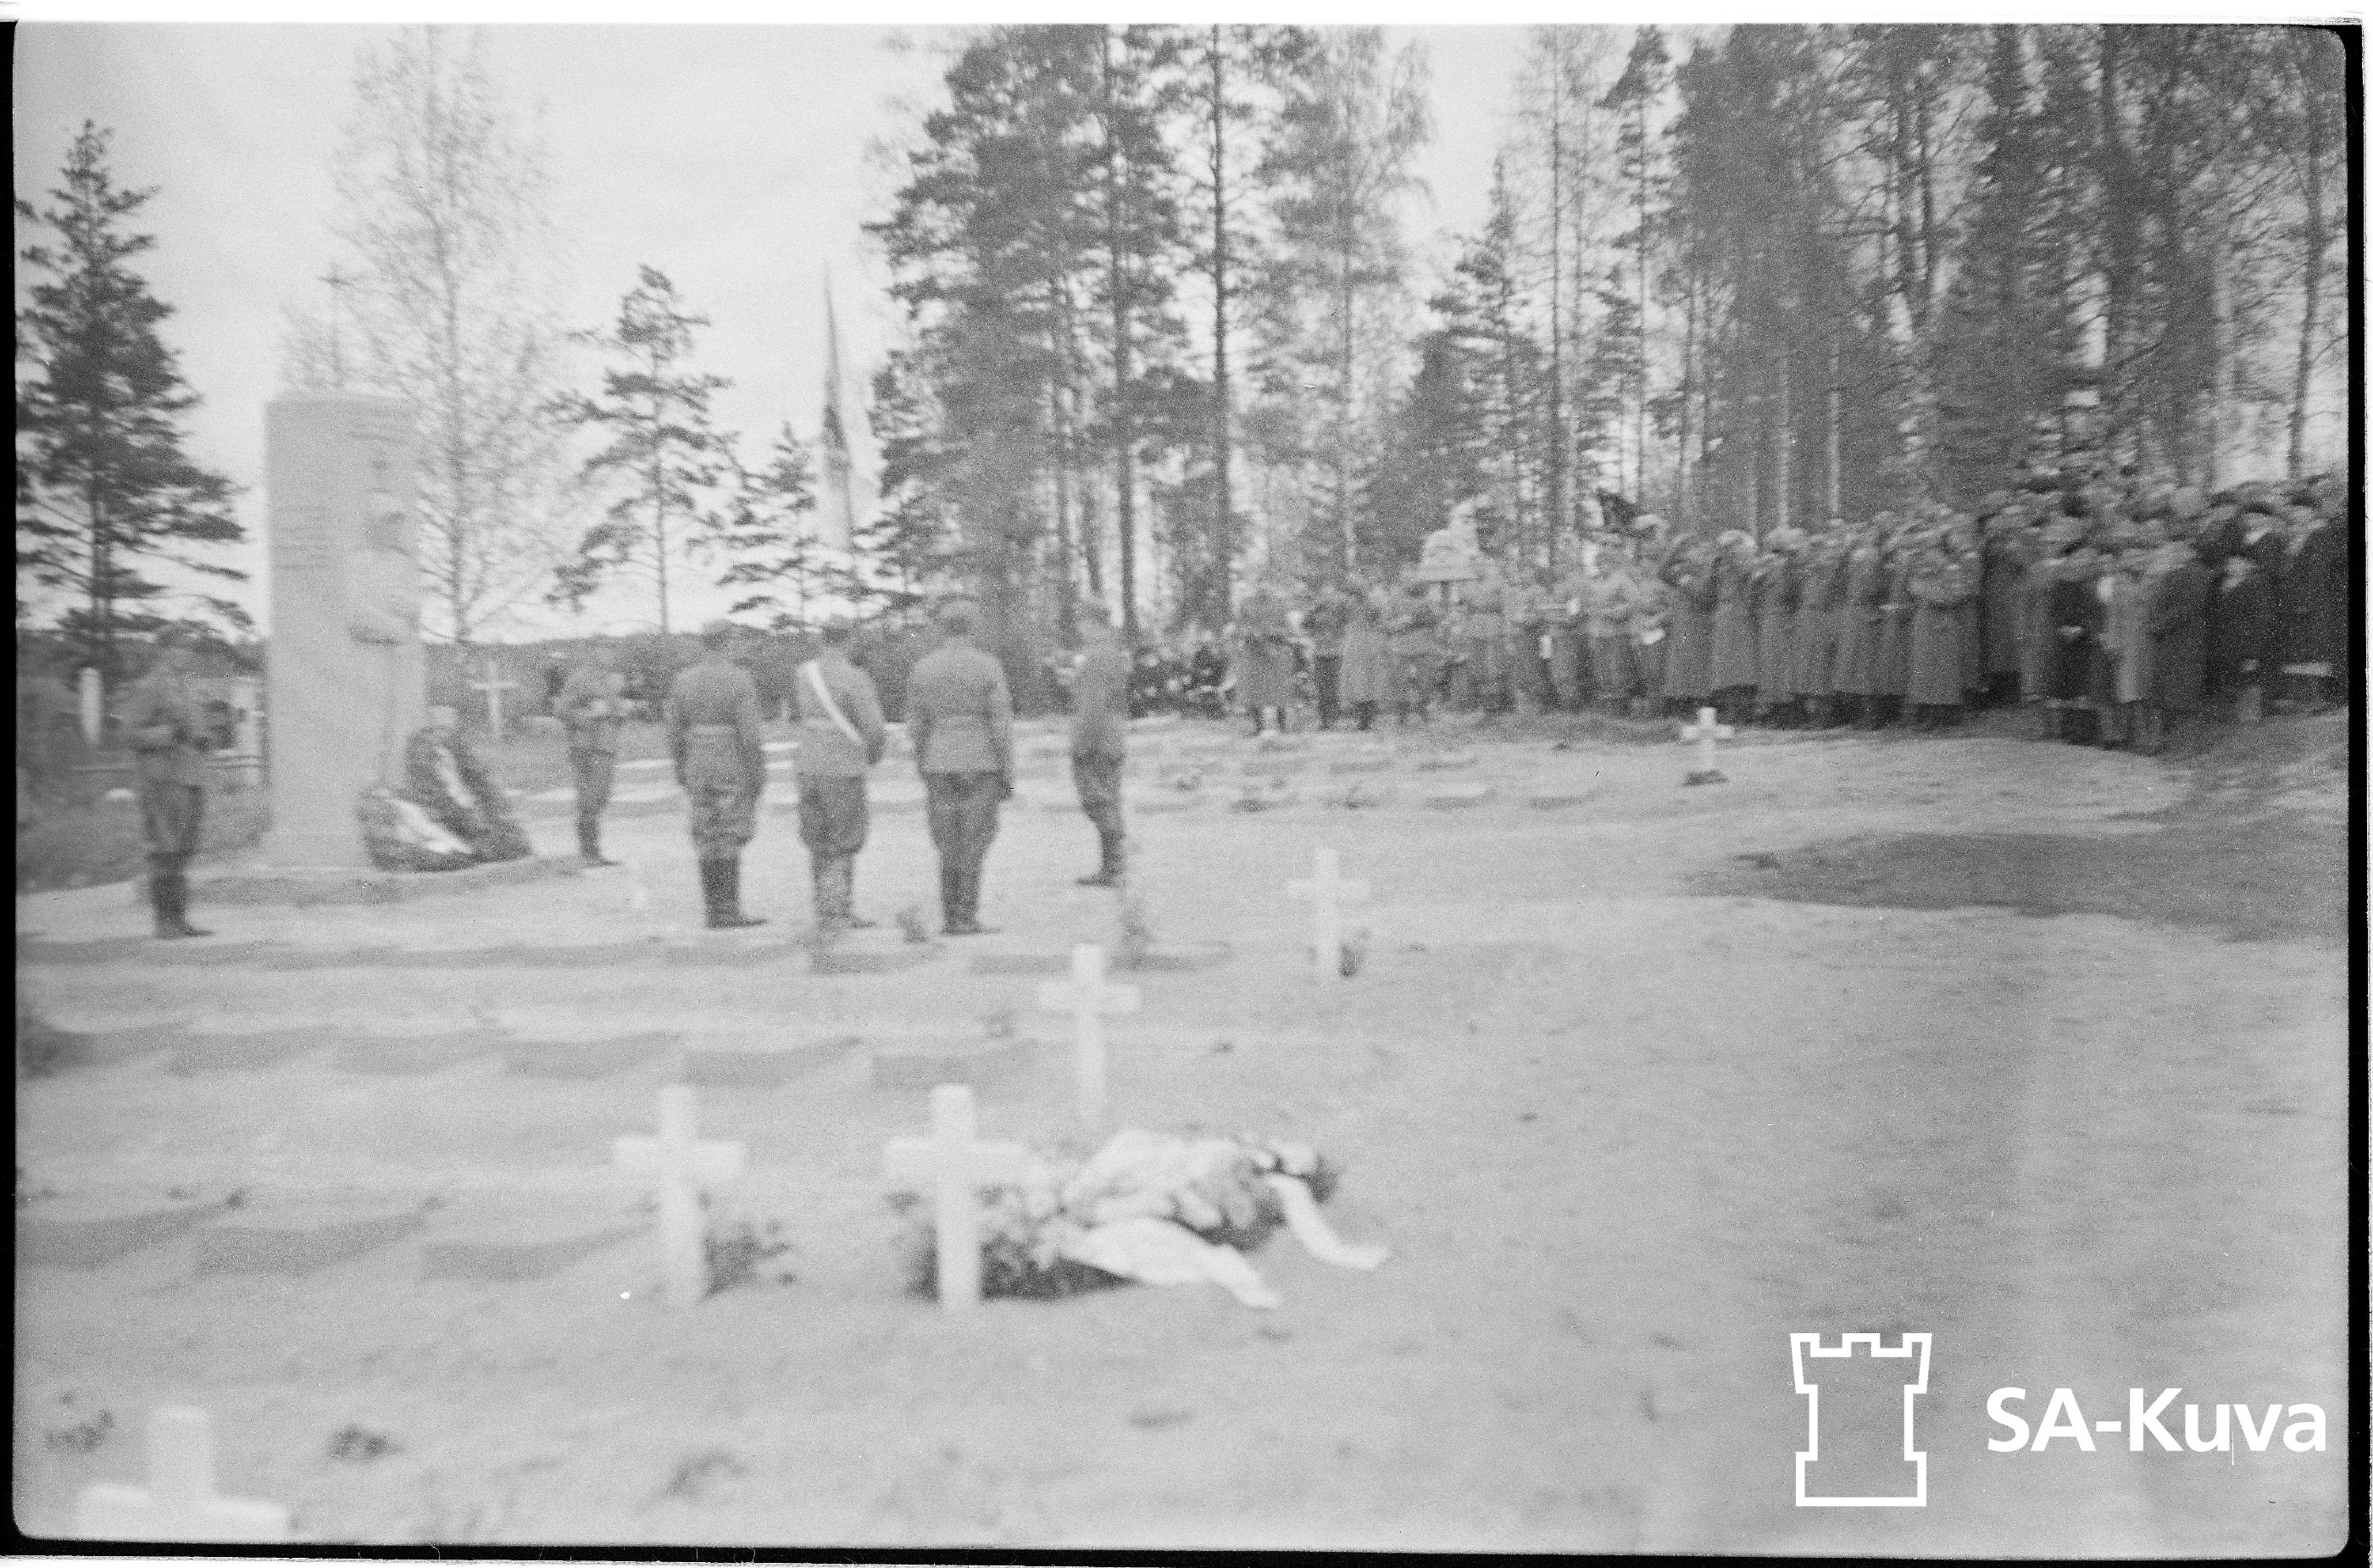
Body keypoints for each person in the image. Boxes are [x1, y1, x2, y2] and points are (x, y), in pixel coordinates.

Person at [908, 596, 1014, 935]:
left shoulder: (923, 668)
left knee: (946, 840)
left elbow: (916, 725)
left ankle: (950, 915)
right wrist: (1007, 770)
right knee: (975, 839)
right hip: (980, 760)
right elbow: (1000, 724)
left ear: (942, 628)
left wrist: (924, 761)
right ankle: (966, 915)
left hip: (939, 761)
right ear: (971, 628)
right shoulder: (988, 666)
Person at [665, 620, 769, 929]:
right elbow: (750, 736)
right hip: (729, 759)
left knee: (705, 832)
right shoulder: (739, 679)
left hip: (697, 759)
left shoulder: (683, 679)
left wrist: (681, 766)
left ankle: (713, 910)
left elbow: (674, 730)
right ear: (727, 643)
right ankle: (729, 909)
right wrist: (756, 773)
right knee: (730, 831)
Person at [793, 617, 889, 931]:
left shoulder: (804, 673)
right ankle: (839, 911)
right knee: (844, 837)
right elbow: (874, 728)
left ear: (823, 639)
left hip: (808, 762)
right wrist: (872, 756)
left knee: (818, 838)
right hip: (842, 765)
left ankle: (825, 909)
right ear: (850, 640)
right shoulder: (856, 677)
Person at [122, 637, 214, 939]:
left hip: (190, 778)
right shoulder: (149, 686)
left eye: (188, 648)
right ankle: (164, 922)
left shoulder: (187, 687)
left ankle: (179, 919)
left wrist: (202, 738)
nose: (184, 654)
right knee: (165, 849)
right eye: (178, 648)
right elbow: (129, 734)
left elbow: (195, 729)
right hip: (162, 780)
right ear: (164, 651)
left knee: (184, 850)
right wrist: (169, 733)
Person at [403, 704, 534, 864]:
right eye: (440, 728)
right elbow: (436, 799)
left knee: (515, 844)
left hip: (473, 813)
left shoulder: (456, 749)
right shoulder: (423, 754)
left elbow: (482, 783)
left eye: (448, 728)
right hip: (455, 820)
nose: (444, 732)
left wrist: (497, 811)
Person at [1069, 600, 1131, 887]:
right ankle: (1115, 865)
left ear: (1091, 623)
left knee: (1097, 800)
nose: (1079, 627)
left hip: (1097, 737)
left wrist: (1081, 744)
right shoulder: (1112, 650)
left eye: (1081, 621)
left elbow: (1093, 704)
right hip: (1113, 734)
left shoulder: (1096, 654)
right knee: (1110, 798)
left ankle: (1114, 866)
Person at [557, 642, 628, 865]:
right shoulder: (580, 679)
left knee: (601, 797)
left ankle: (592, 851)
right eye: (604, 650)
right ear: (595, 653)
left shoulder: (612, 680)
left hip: (606, 747)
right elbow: (562, 710)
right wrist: (590, 715)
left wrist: (621, 712)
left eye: (611, 651)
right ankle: (589, 852)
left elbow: (614, 712)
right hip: (586, 747)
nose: (609, 655)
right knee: (589, 799)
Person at [1707, 529, 1759, 725]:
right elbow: (1709, 590)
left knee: (1743, 668)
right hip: (1723, 618)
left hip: (1740, 618)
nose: (1728, 551)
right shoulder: (1720, 566)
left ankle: (1744, 713)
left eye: (1731, 547)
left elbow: (1744, 572)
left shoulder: (1746, 564)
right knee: (1725, 669)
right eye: (1725, 547)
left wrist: (1734, 555)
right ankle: (1731, 711)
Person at [1232, 587, 1296, 736]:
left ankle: (1282, 724)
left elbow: (1287, 629)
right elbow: (1240, 628)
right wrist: (1253, 634)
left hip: (1276, 652)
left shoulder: (1279, 605)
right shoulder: (1247, 604)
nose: (1263, 589)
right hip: (1254, 653)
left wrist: (1272, 634)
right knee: (1254, 691)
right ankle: (1258, 725)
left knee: (1279, 691)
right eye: (1259, 584)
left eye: (1266, 585)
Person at [1387, 579, 1443, 727]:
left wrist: (1421, 620)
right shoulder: (1396, 603)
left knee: (1425, 680)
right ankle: (1402, 714)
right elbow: (1388, 624)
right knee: (1401, 681)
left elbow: (1437, 619)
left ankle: (1423, 709)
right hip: (1403, 646)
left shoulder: (1428, 603)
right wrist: (1401, 623)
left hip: (1423, 645)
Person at [1337, 581, 1392, 732]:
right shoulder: (1352, 606)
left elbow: (1379, 622)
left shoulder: (1367, 606)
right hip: (1360, 645)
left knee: (1365, 681)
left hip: (1363, 645)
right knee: (1361, 682)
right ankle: (1364, 719)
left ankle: (1365, 719)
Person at [1304, 581, 1352, 730]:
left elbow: (1346, 624)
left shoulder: (1340, 610)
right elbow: (1305, 624)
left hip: (1336, 651)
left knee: (1335, 686)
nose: (1327, 597)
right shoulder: (1316, 611)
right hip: (1320, 652)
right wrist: (1314, 610)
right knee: (1321, 687)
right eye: (1324, 594)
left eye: (1330, 594)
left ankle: (1334, 718)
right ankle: (1324, 719)